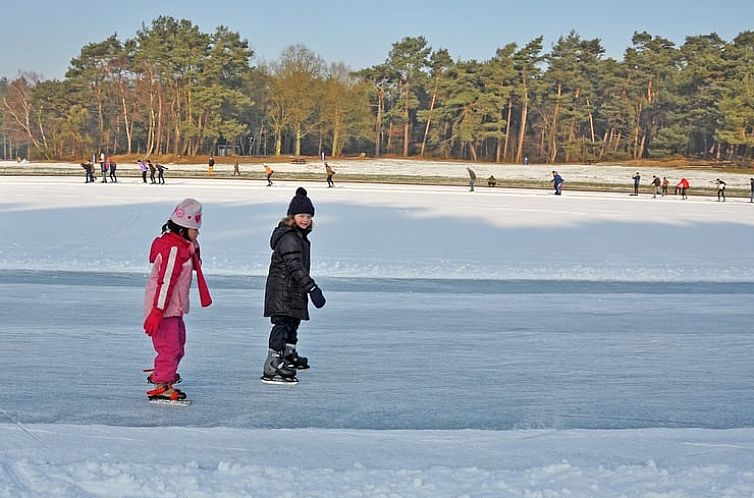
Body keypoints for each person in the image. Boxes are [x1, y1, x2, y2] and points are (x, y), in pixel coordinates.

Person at [143, 199, 213, 401]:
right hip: (163, 307)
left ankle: (163, 374)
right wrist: (157, 312)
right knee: (170, 347)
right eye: (195, 230)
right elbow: (165, 282)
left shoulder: (182, 246)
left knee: (178, 345)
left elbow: (193, 258)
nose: (198, 233)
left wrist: (192, 244)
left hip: (173, 307)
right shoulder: (173, 249)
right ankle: (162, 384)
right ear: (183, 229)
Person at [262, 187, 326, 384]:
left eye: (308, 216)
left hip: (292, 289)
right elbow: (294, 266)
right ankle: (272, 364)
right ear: (292, 216)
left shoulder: (300, 237)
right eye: (301, 215)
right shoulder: (290, 237)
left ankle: (288, 355)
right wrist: (312, 287)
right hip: (283, 290)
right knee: (282, 324)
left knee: (292, 323)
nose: (305, 219)